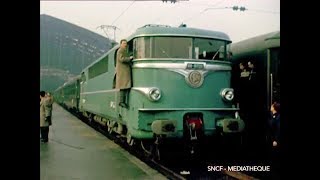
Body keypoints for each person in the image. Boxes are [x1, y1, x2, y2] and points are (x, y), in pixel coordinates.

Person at [116, 39, 133, 108]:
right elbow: (121, 59)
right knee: (123, 87)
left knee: (125, 86)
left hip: (125, 71)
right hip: (123, 71)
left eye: (126, 43)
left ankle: (124, 102)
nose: (125, 44)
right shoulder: (120, 50)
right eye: (124, 43)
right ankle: (121, 102)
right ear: (121, 44)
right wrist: (129, 58)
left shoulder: (124, 50)